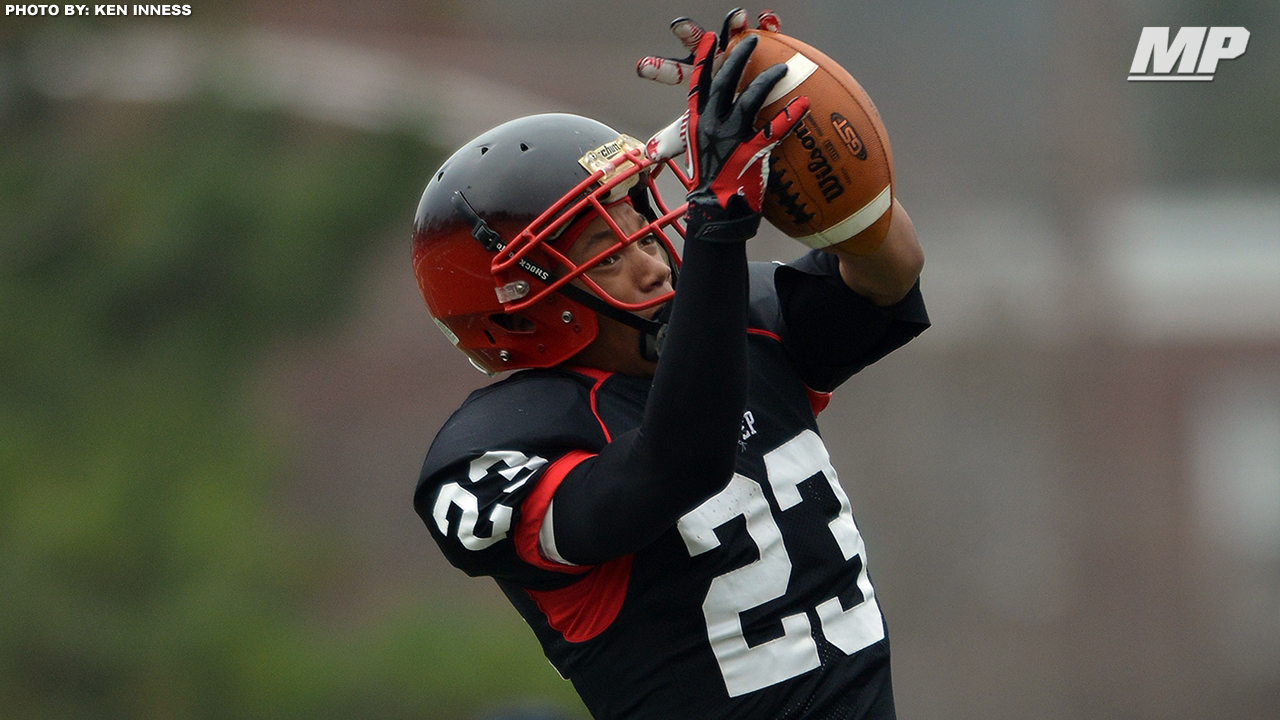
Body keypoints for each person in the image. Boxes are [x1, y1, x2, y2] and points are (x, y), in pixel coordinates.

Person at [411, 16, 928, 720]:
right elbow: (682, 461)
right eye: (608, 247)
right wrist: (720, 222)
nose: (652, 258)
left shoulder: (740, 319)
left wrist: (792, 114)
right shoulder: (500, 448)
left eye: (637, 222)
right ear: (528, 308)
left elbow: (889, 270)